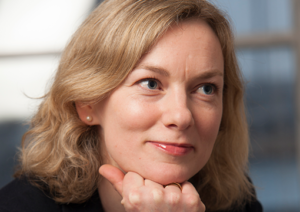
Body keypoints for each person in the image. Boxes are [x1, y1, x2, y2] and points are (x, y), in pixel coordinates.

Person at [0, 0, 263, 211]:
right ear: (87, 103)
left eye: (206, 89)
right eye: (150, 84)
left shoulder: (237, 201)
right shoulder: (18, 206)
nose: (181, 116)